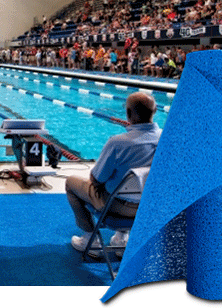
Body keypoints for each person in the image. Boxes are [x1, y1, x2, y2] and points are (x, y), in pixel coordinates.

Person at [65, 92, 161, 253]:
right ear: (155, 111)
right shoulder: (167, 140)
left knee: (71, 183)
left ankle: (90, 238)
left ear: (128, 114)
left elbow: (96, 179)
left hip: (116, 207)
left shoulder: (118, 143)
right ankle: (122, 238)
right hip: (150, 207)